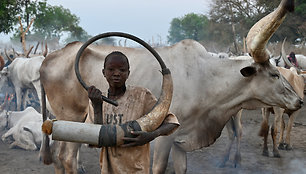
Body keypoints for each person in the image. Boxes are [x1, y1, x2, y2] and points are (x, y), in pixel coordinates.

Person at [86, 51, 180, 174]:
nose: (116, 73)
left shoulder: (141, 96)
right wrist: (97, 106)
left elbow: (171, 122)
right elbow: (95, 140)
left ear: (128, 73)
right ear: (103, 72)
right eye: (111, 69)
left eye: (122, 70)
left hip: (137, 169)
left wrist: (151, 135)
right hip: (108, 170)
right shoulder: (97, 100)